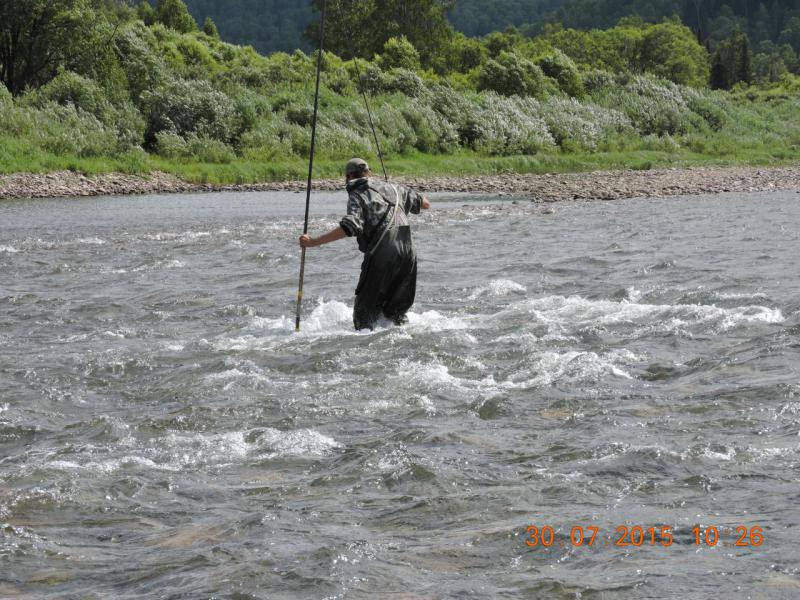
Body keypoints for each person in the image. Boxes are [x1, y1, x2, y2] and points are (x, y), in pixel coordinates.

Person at [299, 158, 431, 330]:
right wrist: (394, 190)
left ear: (348, 177)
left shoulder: (357, 193)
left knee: (363, 320)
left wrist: (314, 242)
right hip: (409, 255)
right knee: (395, 316)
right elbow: (426, 204)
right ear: (368, 172)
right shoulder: (395, 188)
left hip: (382, 255)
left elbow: (350, 227)